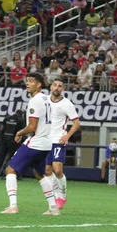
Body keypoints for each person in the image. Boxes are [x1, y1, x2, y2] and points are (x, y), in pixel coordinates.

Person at [1, 72, 59, 215]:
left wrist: (19, 132)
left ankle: (13, 206)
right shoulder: (47, 99)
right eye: (27, 81)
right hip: (46, 143)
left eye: (31, 81)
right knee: (40, 174)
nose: (28, 83)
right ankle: (53, 208)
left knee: (10, 170)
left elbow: (32, 126)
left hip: (36, 142)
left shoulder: (35, 100)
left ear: (39, 84)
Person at [45, 78, 80, 209]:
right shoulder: (44, 101)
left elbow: (77, 123)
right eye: (55, 85)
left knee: (57, 170)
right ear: (51, 87)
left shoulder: (67, 104)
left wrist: (67, 136)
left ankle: (63, 193)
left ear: (63, 89)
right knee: (47, 170)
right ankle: (55, 195)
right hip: (46, 140)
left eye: (60, 86)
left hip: (58, 139)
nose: (57, 88)